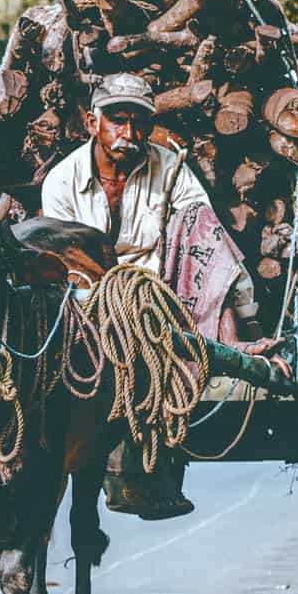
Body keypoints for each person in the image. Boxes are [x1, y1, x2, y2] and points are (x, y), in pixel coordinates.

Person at [40, 73, 282, 519]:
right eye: (117, 120)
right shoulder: (61, 183)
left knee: (203, 227)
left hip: (164, 299)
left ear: (150, 128)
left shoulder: (169, 169)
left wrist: (242, 319)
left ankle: (231, 343)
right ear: (93, 123)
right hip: (88, 305)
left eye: (138, 122)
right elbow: (66, 265)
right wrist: (112, 306)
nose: (128, 133)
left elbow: (206, 241)